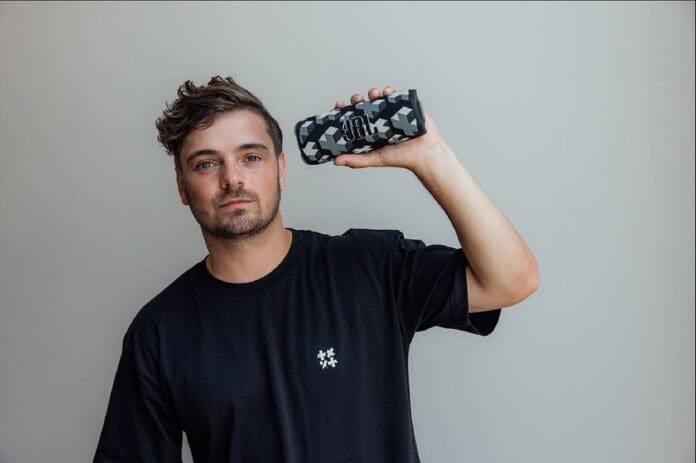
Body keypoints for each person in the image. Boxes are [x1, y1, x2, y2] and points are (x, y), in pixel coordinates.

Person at [93, 76, 539, 462]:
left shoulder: (367, 266)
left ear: (281, 170)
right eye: (206, 163)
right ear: (182, 187)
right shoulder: (160, 332)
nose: (232, 179)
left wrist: (430, 156)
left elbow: (512, 279)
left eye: (251, 157)